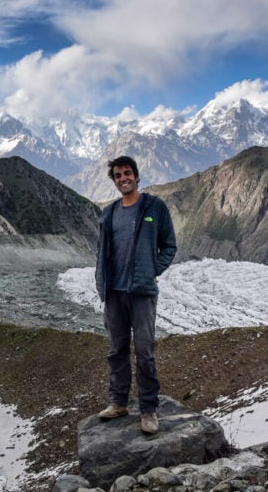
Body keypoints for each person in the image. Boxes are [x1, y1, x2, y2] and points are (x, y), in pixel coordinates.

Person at [94, 155, 177, 435]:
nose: (123, 179)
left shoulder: (154, 207)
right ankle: (118, 402)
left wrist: (152, 269)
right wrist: (102, 282)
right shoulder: (109, 213)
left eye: (127, 173)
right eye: (118, 176)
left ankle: (149, 410)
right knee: (117, 350)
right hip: (114, 292)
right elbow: (102, 252)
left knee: (144, 351)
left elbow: (169, 245)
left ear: (137, 176)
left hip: (141, 292)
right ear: (115, 181)